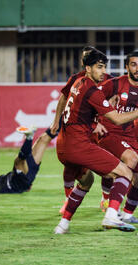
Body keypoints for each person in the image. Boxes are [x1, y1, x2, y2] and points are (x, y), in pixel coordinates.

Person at [53, 48, 138, 234]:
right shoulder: (93, 89)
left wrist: (94, 122)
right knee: (125, 172)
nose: (103, 72)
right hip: (79, 145)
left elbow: (77, 108)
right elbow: (117, 119)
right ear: (88, 68)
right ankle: (112, 215)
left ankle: (62, 225)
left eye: (104, 68)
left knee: (86, 182)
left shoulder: (78, 82)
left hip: (63, 146)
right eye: (99, 68)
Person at [97, 50, 138, 224]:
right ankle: (111, 214)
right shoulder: (114, 85)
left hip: (128, 134)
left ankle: (127, 214)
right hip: (109, 133)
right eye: (133, 64)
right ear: (126, 67)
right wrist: (95, 123)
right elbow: (91, 101)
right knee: (130, 159)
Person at [50, 46, 111, 215]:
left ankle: (105, 199)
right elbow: (64, 99)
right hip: (79, 130)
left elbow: (115, 92)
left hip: (94, 129)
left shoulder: (103, 78)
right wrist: (56, 120)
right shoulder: (78, 80)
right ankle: (69, 200)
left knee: (106, 165)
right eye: (86, 59)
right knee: (74, 166)